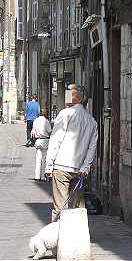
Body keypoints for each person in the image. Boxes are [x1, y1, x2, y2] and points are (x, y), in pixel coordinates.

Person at [45, 84, 98, 222]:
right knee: (76, 210)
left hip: (62, 166)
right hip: (79, 169)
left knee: (60, 208)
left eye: (70, 93)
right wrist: (86, 167)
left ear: (77, 98)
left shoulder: (66, 114)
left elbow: (56, 140)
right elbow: (92, 148)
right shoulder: (92, 121)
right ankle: (75, 238)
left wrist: (49, 165)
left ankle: (60, 237)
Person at [31, 108, 52, 181]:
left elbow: (33, 132)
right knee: (44, 159)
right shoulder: (46, 121)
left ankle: (37, 176)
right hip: (45, 140)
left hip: (38, 140)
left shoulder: (35, 121)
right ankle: (43, 177)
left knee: (38, 159)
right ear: (45, 113)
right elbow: (50, 131)